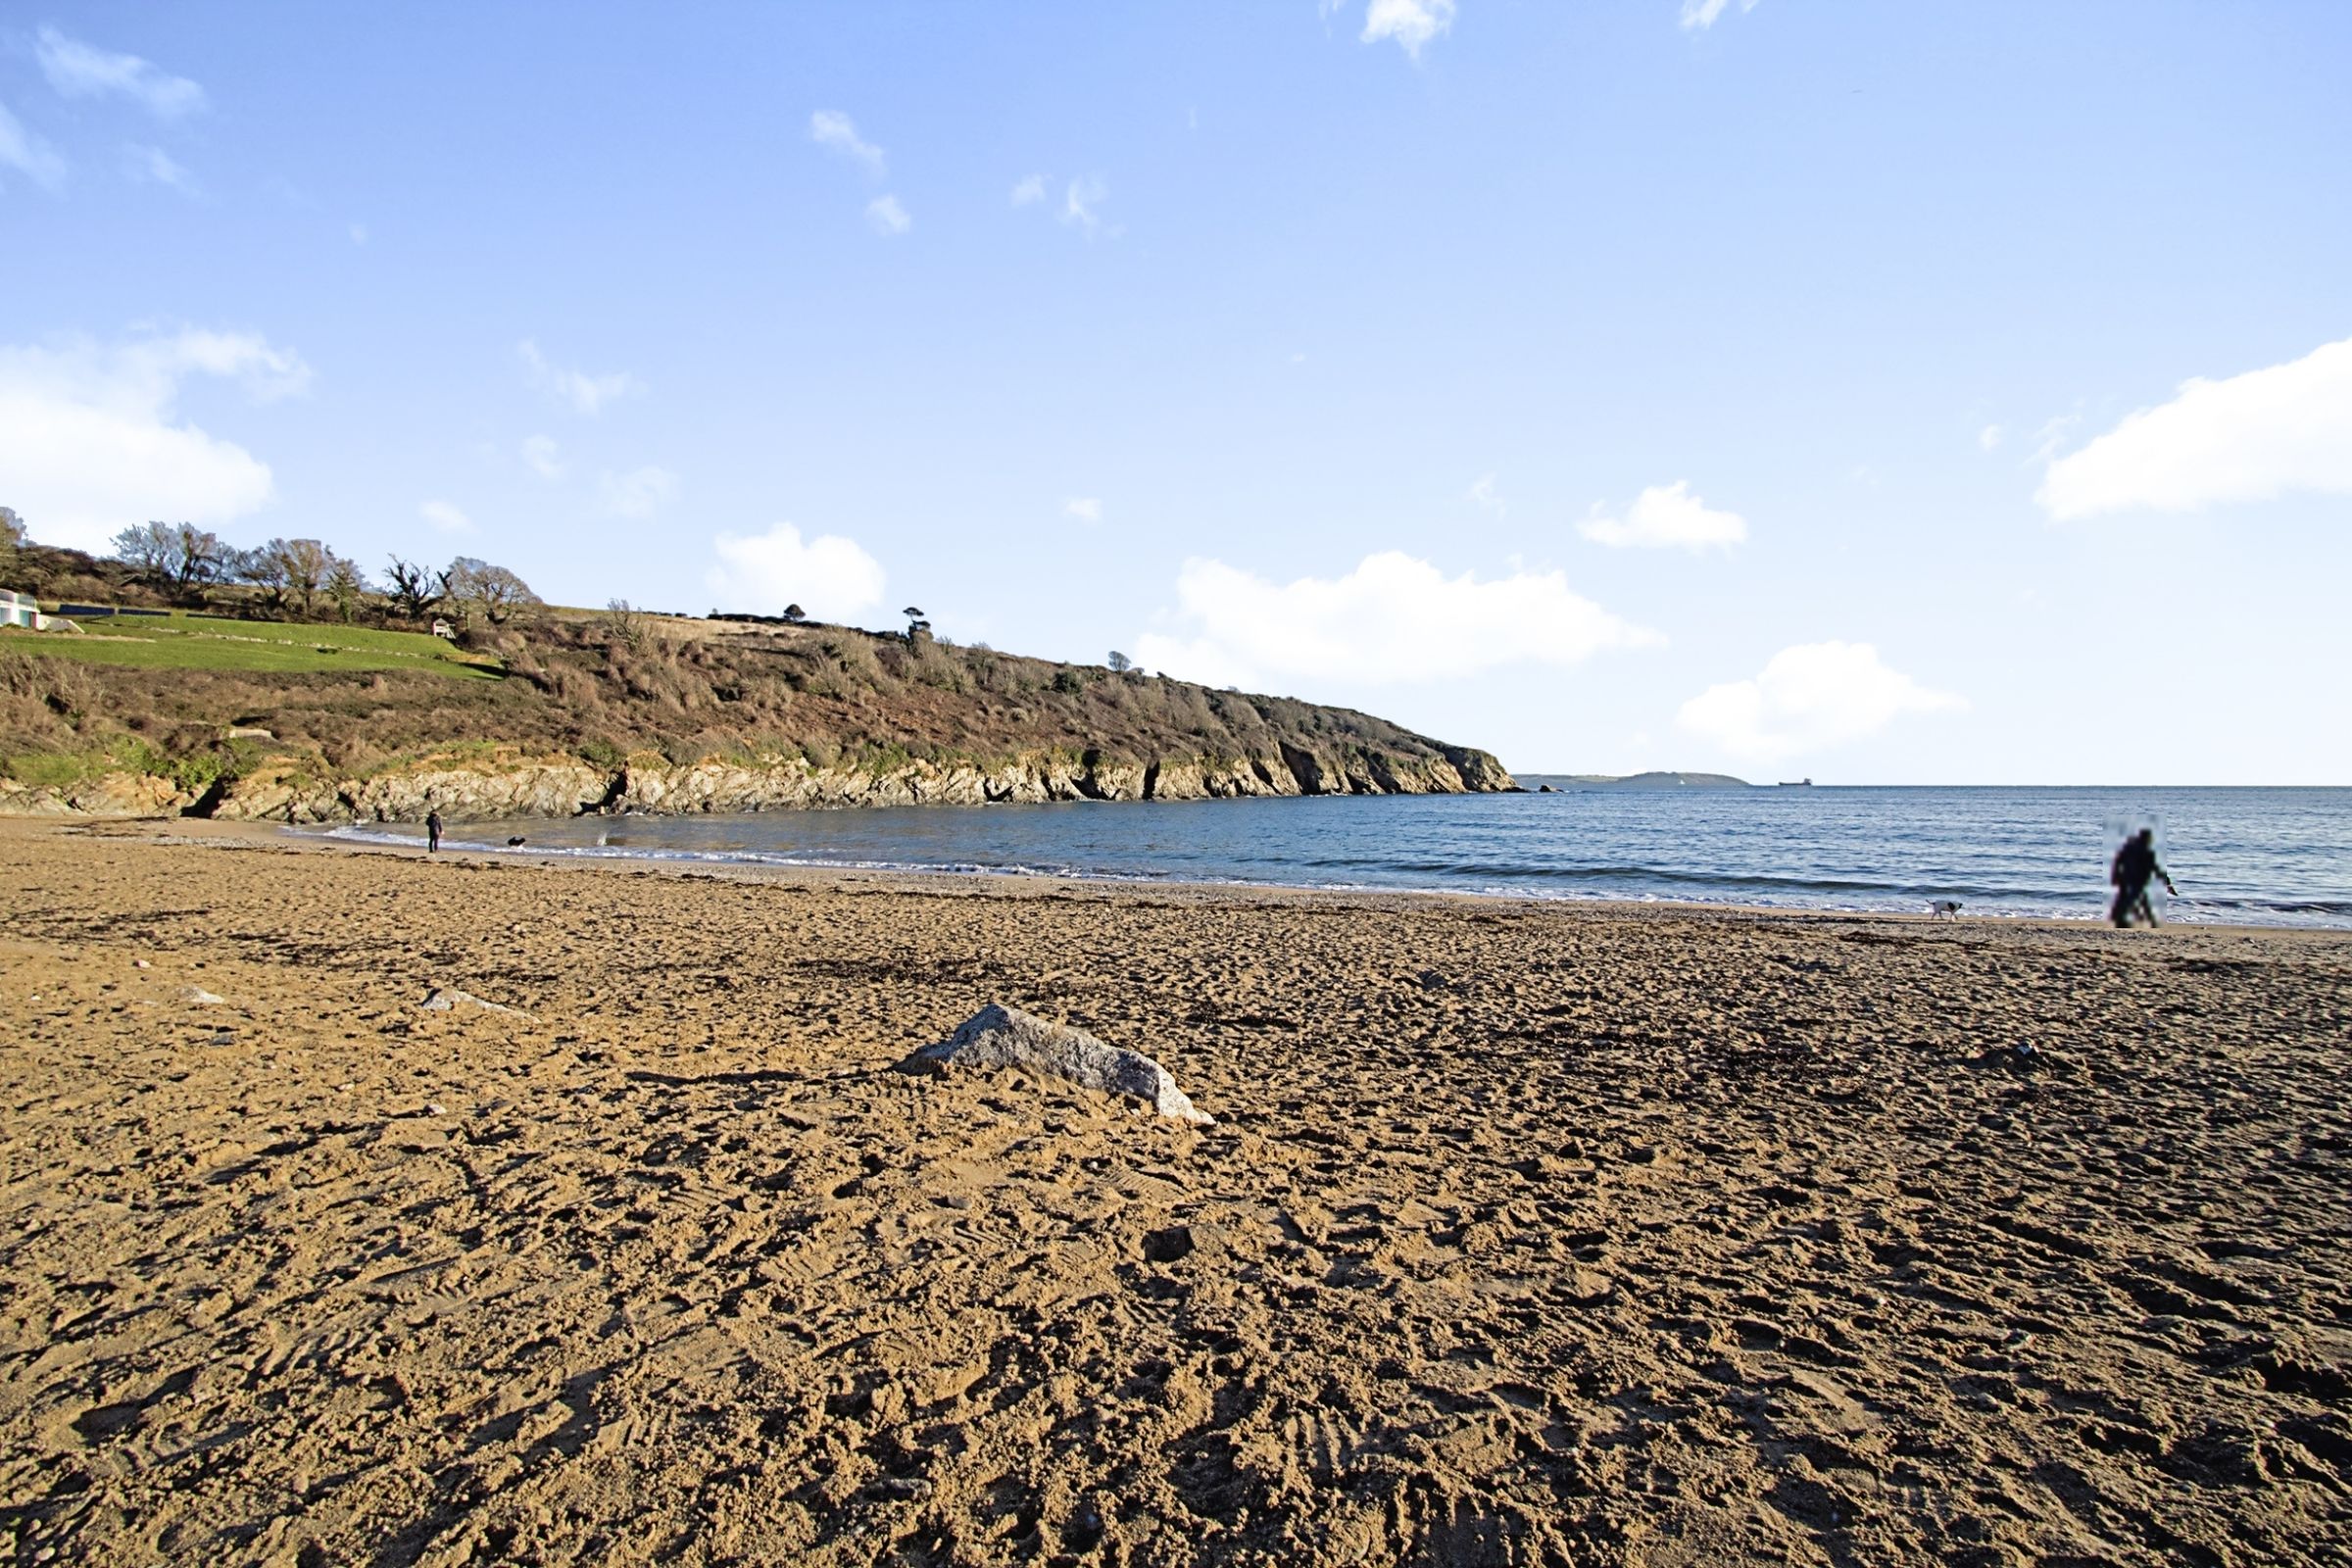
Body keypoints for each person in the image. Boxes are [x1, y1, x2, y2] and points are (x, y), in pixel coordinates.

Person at [2109, 827, 2176, 928]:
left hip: (2127, 878)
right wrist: (2166, 880)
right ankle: (2148, 921)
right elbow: (2154, 868)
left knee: (2137, 900)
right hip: (2138, 880)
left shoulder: (2128, 849)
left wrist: (2115, 876)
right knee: (2135, 900)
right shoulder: (2147, 852)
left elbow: (2117, 863)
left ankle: (2148, 921)